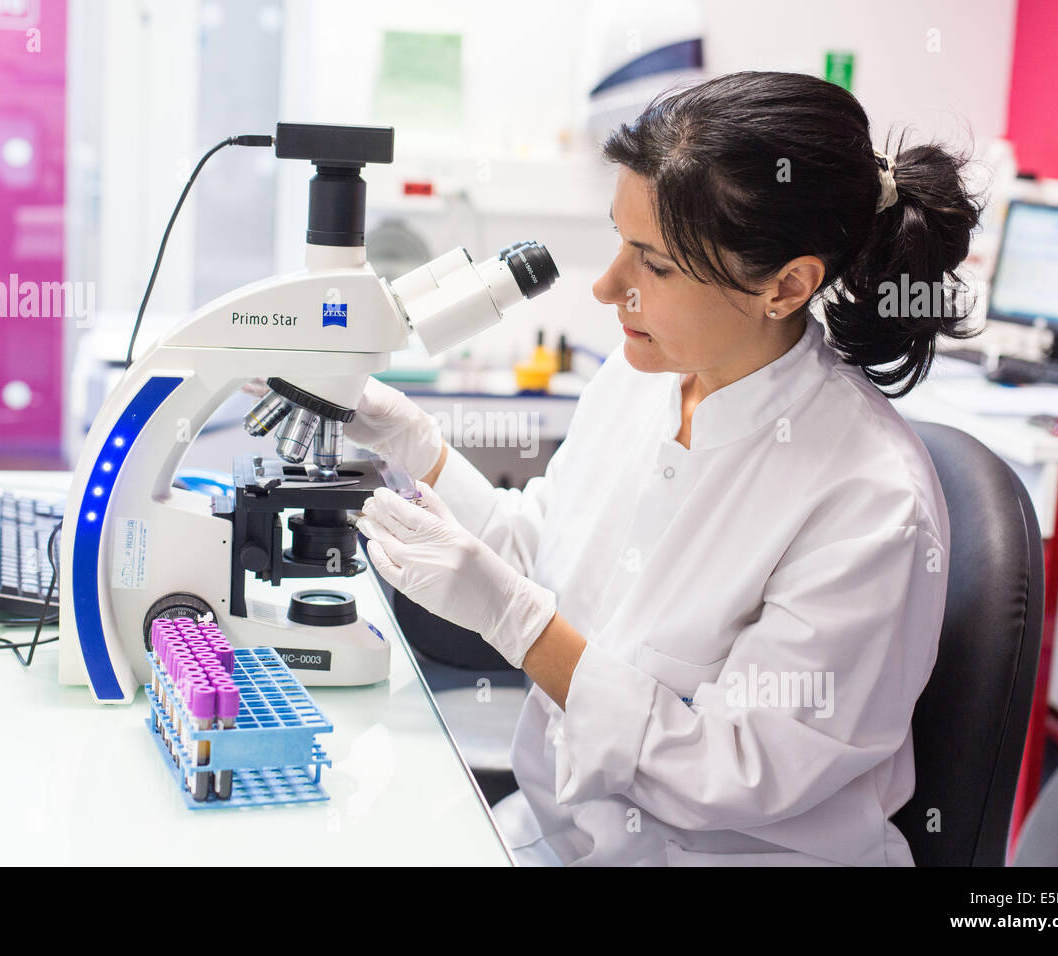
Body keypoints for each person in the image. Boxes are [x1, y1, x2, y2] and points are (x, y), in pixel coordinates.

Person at [351, 71, 980, 866]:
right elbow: (540, 561)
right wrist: (417, 447)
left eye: (653, 264)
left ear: (786, 286)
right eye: (620, 241)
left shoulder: (869, 499)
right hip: (562, 838)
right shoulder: (640, 381)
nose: (609, 286)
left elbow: (733, 770)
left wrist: (517, 623)